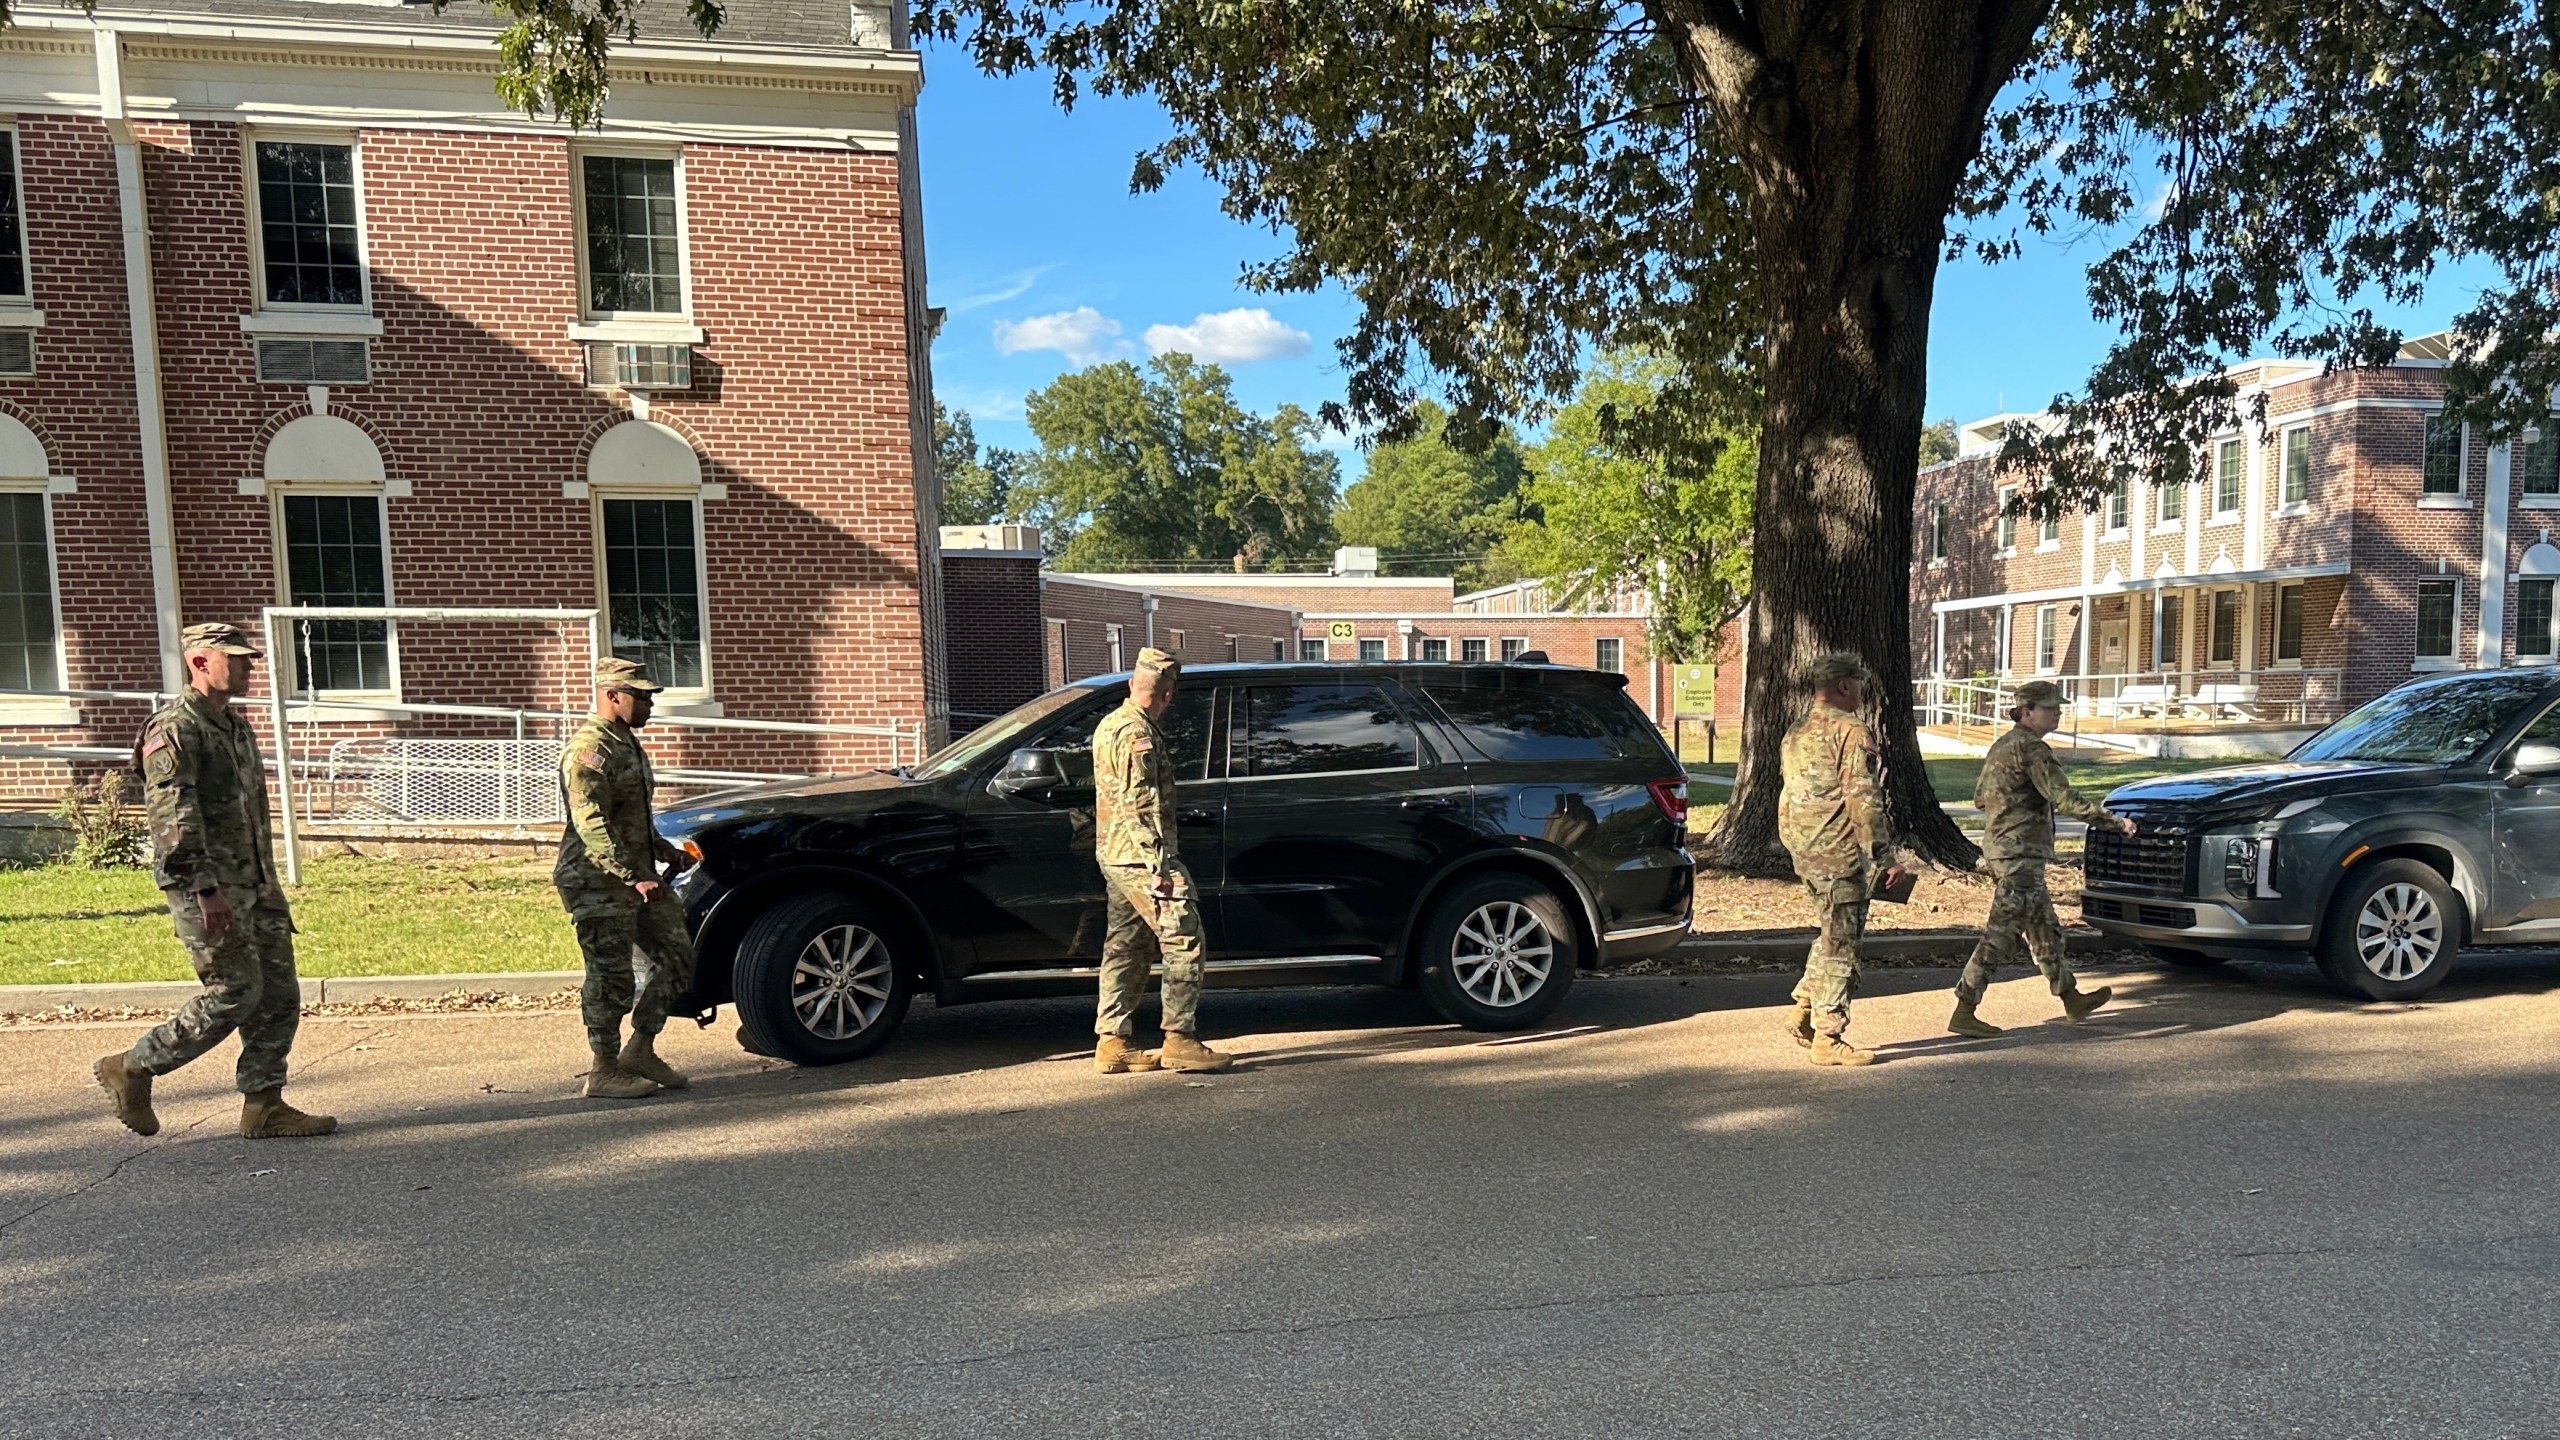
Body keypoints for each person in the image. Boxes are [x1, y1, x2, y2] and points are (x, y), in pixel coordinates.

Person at [93, 623, 336, 1139]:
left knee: (277, 994)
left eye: (248, 658)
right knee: (234, 992)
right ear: (201, 662)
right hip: (206, 886)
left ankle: (264, 1104)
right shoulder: (177, 728)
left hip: (254, 882)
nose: (249, 666)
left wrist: (266, 884)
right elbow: (173, 817)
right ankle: (133, 1066)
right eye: (237, 658)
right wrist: (204, 889)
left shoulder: (233, 725)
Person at [1947, 678, 2137, 1037]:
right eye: (2051, 708)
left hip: (2008, 853)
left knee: (2044, 930)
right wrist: (2115, 823)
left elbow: (1979, 797)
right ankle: (1964, 1008)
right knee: (2001, 935)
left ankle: (2070, 996)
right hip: (2019, 857)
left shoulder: (2003, 746)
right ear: (2027, 712)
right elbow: (2064, 799)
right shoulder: (2032, 749)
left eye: (2059, 707)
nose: (2058, 713)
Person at [554, 657, 697, 1099]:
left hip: (637, 877)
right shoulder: (588, 750)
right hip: (596, 880)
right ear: (612, 695)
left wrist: (662, 850)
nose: (650, 706)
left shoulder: (625, 742)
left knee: (679, 957)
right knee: (610, 975)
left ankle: (641, 1049)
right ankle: (604, 1070)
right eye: (642, 697)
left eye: (651, 698)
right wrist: (633, 873)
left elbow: (632, 815)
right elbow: (591, 822)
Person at [1091, 647, 1234, 1074]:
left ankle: (1113, 1041)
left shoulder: (1109, 724)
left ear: (1133, 684)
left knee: (1127, 945)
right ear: (1168, 694)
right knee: (1184, 939)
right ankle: (1180, 1039)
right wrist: (1161, 866)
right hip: (1141, 858)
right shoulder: (1138, 735)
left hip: (1116, 854)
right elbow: (1140, 804)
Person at [1777, 652, 1903, 1067]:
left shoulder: (1796, 731)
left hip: (1808, 851)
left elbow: (1789, 794)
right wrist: (1884, 854)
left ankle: (1803, 1012)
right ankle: (1828, 1036)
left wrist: (1796, 844)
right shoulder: (1849, 730)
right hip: (1839, 853)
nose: (1862, 692)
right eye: (1859, 684)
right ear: (1845, 686)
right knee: (1843, 945)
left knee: (1831, 934)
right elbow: (1862, 797)